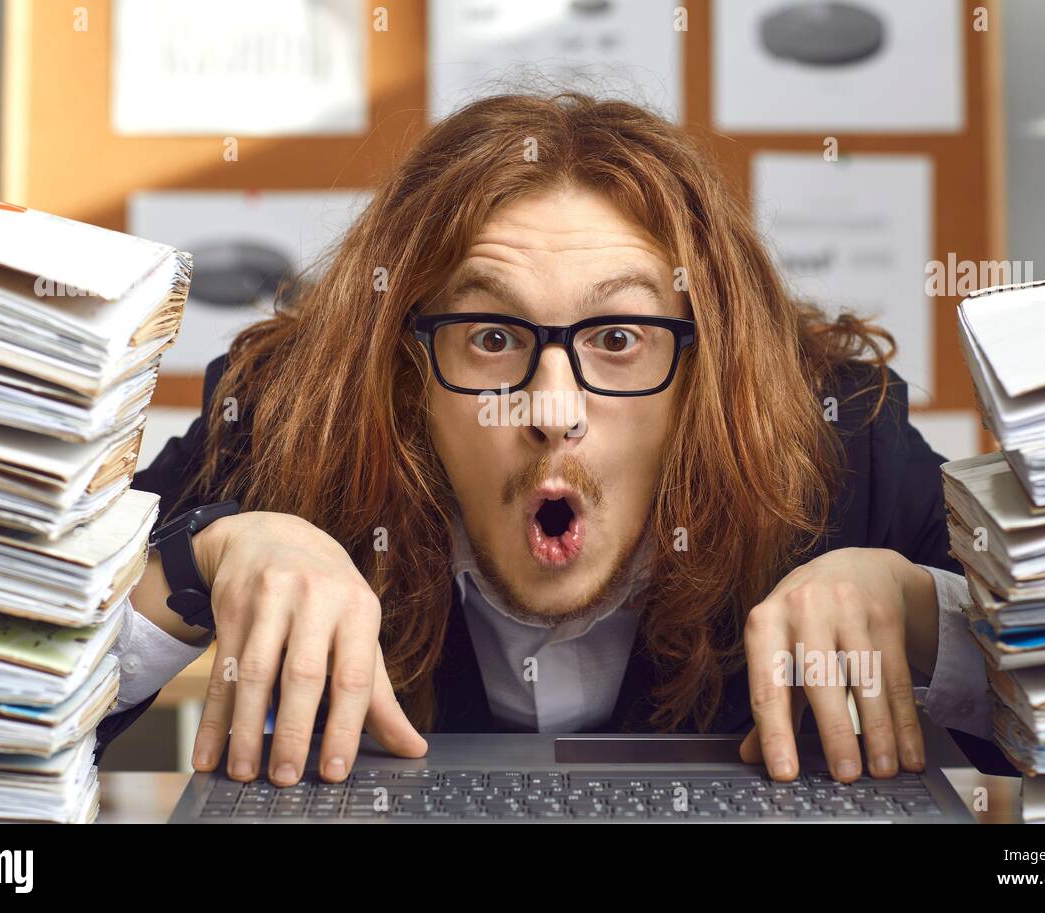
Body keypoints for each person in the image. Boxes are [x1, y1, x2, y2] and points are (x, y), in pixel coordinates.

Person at [99, 92, 993, 788]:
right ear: (406, 371)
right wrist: (198, 563)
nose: (553, 410)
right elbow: (19, 698)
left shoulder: (839, 443)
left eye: (619, 337)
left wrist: (923, 612)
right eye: (492, 336)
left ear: (709, 372)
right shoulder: (290, 425)